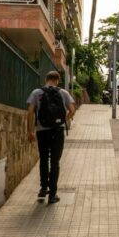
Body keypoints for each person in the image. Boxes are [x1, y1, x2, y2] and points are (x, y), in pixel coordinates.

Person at [27, 71, 76, 204]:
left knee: (43, 159)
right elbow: (72, 110)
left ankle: (43, 188)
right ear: (57, 80)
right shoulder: (63, 93)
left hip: (42, 131)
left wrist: (30, 131)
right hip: (57, 131)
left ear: (46, 79)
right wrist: (63, 121)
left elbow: (30, 112)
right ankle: (52, 195)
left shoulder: (37, 93)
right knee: (55, 162)